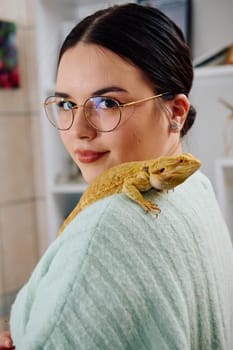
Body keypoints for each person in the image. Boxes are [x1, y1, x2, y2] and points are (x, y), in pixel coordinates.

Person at [1, 3, 233, 349]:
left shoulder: (107, 230)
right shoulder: (193, 187)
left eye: (107, 103)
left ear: (176, 112)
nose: (78, 130)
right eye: (66, 104)